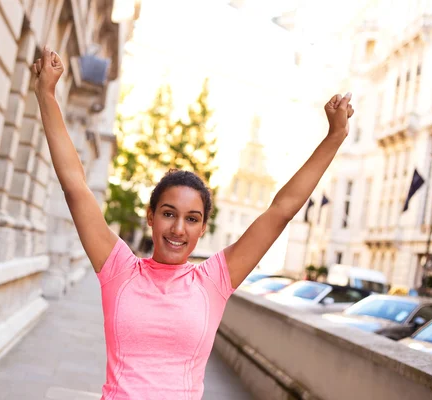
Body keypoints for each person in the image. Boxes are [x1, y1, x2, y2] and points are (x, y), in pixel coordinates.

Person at [32, 46, 354, 399]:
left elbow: (282, 210)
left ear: (203, 229)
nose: (178, 229)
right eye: (169, 214)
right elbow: (76, 187)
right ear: (151, 217)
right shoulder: (119, 270)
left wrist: (334, 137)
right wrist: (46, 95)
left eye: (192, 219)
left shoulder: (213, 280)